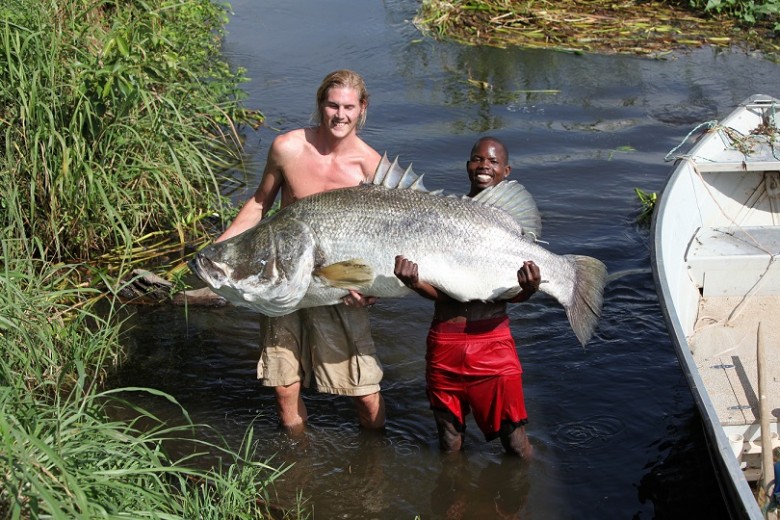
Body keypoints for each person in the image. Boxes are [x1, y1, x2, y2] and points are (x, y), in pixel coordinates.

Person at [216, 70, 385, 434]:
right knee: (283, 384)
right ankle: (298, 464)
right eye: (332, 105)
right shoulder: (288, 148)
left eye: (348, 107)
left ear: (362, 109)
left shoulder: (371, 167)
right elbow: (260, 203)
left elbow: (385, 239)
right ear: (320, 105)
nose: (339, 115)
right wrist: (220, 248)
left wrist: (371, 290)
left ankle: (375, 461)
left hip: (336, 285)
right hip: (284, 278)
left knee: (364, 390)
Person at [393, 136, 540, 458]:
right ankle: (453, 504)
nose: (484, 166)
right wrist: (415, 282)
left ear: (506, 170)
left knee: (515, 442)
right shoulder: (442, 215)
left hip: (493, 345)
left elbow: (512, 295)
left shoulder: (511, 225)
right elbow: (440, 291)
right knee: (448, 441)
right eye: (477, 159)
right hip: (444, 343)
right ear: (468, 166)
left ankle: (521, 505)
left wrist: (529, 288)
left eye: (492, 161)